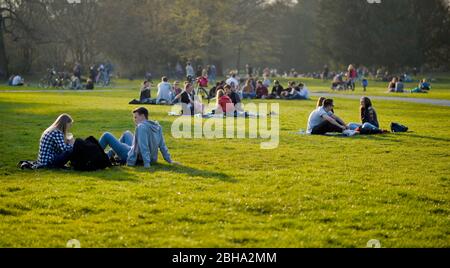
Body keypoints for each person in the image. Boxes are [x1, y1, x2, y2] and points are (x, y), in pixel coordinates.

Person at [99, 107, 174, 168]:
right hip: (142, 155)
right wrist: (170, 160)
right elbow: (162, 146)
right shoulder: (157, 127)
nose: (134, 120)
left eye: (136, 117)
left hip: (135, 157)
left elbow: (144, 147)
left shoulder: (141, 127)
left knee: (106, 135)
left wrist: (147, 164)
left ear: (142, 116)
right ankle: (109, 154)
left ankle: (93, 155)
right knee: (127, 133)